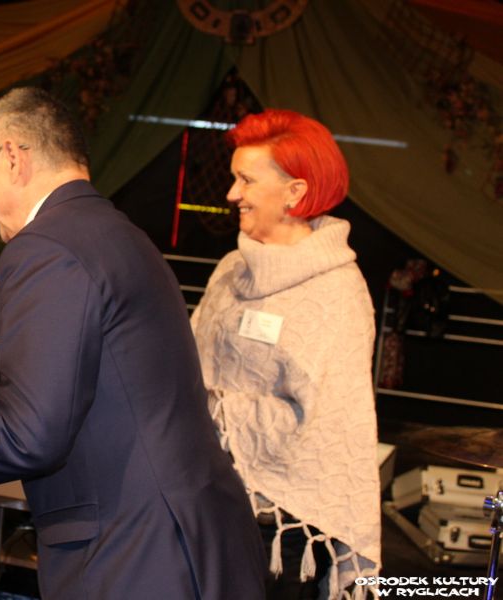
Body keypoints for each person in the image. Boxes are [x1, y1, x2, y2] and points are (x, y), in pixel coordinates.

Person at [0, 87, 266, 600]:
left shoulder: (45, 247)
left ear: (12, 156)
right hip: (187, 535)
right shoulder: (115, 231)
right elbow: (81, 389)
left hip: (135, 552)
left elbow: (30, 435)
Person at [189, 109, 381, 599]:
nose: (232, 194)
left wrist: (215, 407)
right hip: (203, 501)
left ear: (295, 192)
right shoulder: (231, 269)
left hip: (279, 529)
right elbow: (189, 363)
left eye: (246, 180)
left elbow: (323, 426)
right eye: (234, 178)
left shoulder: (336, 293)